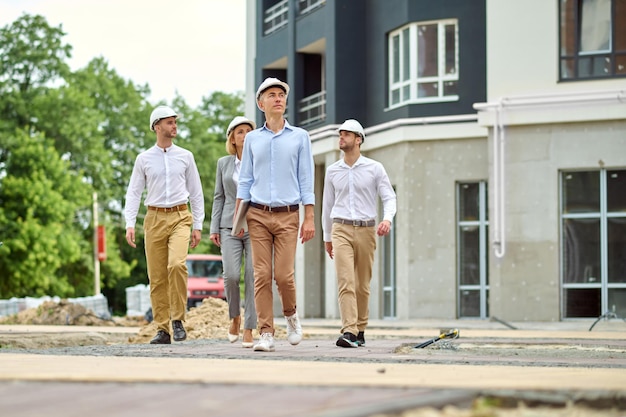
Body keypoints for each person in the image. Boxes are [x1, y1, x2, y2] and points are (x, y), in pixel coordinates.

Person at [234, 77, 315, 352]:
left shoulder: (300, 137)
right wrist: (238, 219)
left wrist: (310, 217)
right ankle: (265, 332)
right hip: (257, 214)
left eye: (281, 94)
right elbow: (244, 181)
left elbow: (306, 178)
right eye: (272, 94)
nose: (278, 98)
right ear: (261, 103)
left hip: (288, 216)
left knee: (283, 275)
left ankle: (291, 315)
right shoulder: (253, 139)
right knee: (261, 274)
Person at [124, 105, 205, 345]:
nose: (174, 126)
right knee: (157, 277)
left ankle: (178, 319)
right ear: (156, 127)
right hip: (154, 219)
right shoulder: (144, 159)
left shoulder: (185, 156)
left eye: (175, 122)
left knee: (176, 265)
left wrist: (198, 224)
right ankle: (162, 329)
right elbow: (134, 192)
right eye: (169, 122)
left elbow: (196, 192)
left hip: (181, 216)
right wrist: (130, 223)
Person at [321, 119, 397, 348]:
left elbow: (389, 197)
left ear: (358, 139)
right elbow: (327, 204)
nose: (341, 137)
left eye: (346, 134)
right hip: (340, 228)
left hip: (367, 230)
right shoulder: (333, 171)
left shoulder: (375, 168)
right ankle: (349, 331)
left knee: (362, 284)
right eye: (340, 134)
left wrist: (387, 219)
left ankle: (360, 328)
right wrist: (327, 236)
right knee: (346, 280)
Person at [209, 116, 257, 348]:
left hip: (255, 225)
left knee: (251, 276)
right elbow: (219, 197)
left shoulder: (260, 162)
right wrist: (213, 227)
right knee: (231, 276)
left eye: (249, 131)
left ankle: (249, 327)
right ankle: (234, 316)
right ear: (233, 138)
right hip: (228, 225)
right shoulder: (223, 164)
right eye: (240, 132)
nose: (245, 135)